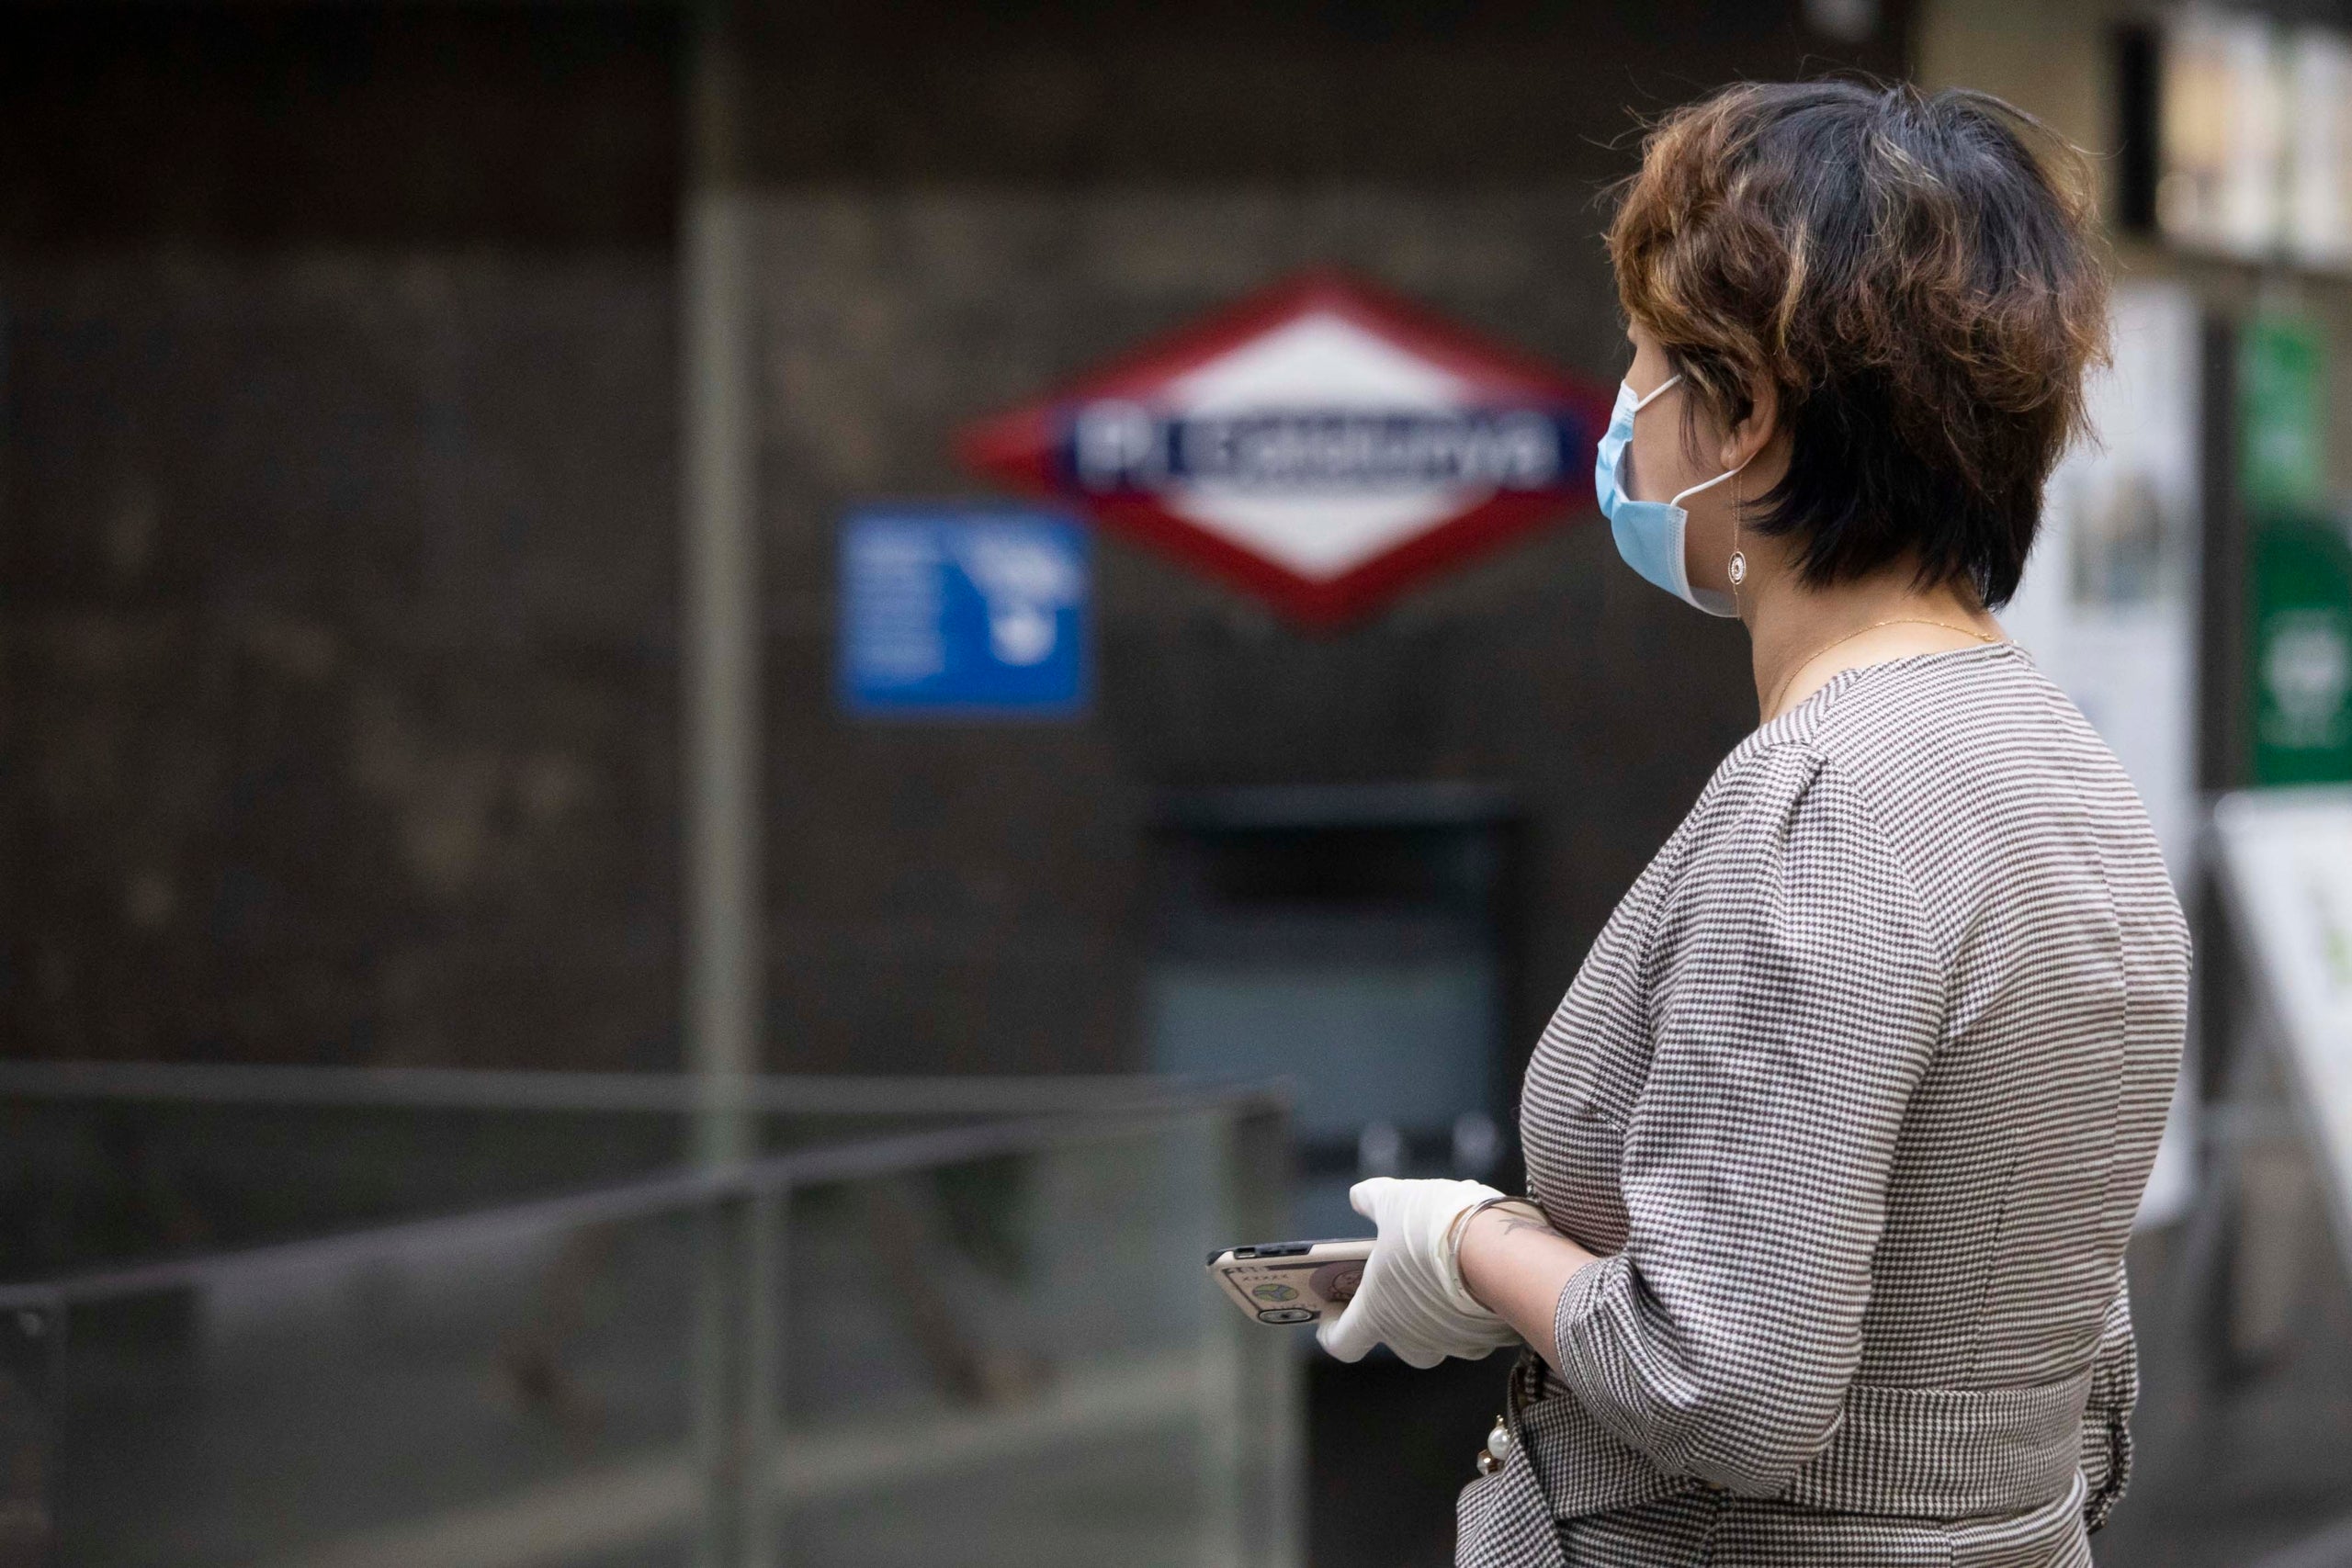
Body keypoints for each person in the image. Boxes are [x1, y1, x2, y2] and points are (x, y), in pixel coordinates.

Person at [1315, 81, 2188, 1567]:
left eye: (1645, 366)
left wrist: (1469, 1241)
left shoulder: (1824, 805)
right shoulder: (2059, 766)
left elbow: (1719, 1381)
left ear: (1750, 415)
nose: (1626, 417)